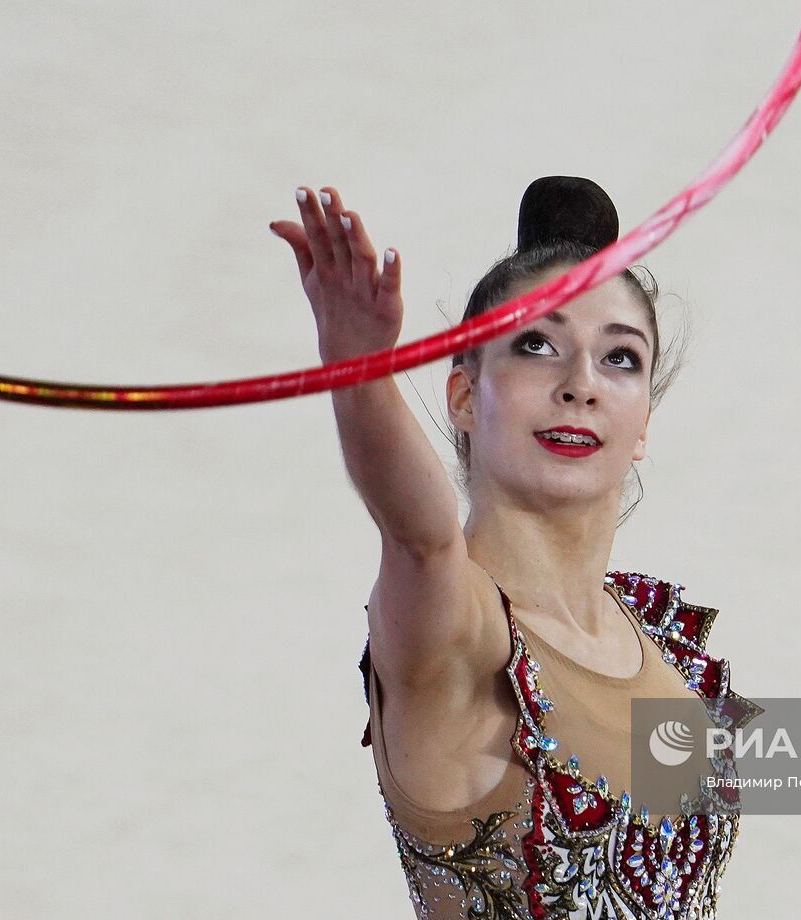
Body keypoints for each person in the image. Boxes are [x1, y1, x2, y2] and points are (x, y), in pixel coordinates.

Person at [270, 176, 755, 919]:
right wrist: (359, 368)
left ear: (643, 423)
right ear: (465, 397)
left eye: (620, 358)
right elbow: (420, 537)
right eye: (536, 345)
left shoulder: (661, 642)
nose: (581, 384)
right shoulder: (457, 631)